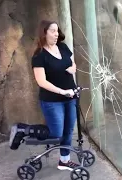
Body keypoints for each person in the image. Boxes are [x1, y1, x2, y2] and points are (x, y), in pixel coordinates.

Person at [31, 20, 79, 171]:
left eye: (57, 31)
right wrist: (62, 91)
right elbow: (41, 81)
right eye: (53, 31)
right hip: (52, 101)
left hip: (70, 97)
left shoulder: (63, 47)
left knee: (68, 130)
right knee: (57, 133)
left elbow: (73, 64)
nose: (56, 34)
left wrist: (72, 69)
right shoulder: (39, 55)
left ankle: (64, 161)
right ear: (44, 32)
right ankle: (25, 132)